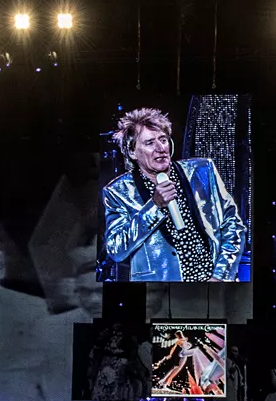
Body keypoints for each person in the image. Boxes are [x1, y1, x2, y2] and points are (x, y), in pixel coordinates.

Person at [101, 106, 247, 283]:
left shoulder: (202, 170)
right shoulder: (117, 192)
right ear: (132, 152)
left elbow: (233, 224)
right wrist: (154, 207)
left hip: (213, 284)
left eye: (163, 140)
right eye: (150, 143)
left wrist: (220, 276)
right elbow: (116, 249)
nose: (160, 148)